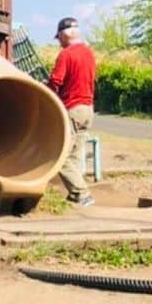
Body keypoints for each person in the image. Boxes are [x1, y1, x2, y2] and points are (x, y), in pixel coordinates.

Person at [48, 16, 97, 207]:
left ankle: (82, 192)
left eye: (58, 37)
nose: (58, 41)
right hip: (88, 109)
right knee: (75, 153)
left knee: (60, 156)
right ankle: (75, 197)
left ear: (63, 34)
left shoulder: (66, 55)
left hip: (73, 108)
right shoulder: (89, 53)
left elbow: (56, 81)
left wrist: (45, 96)